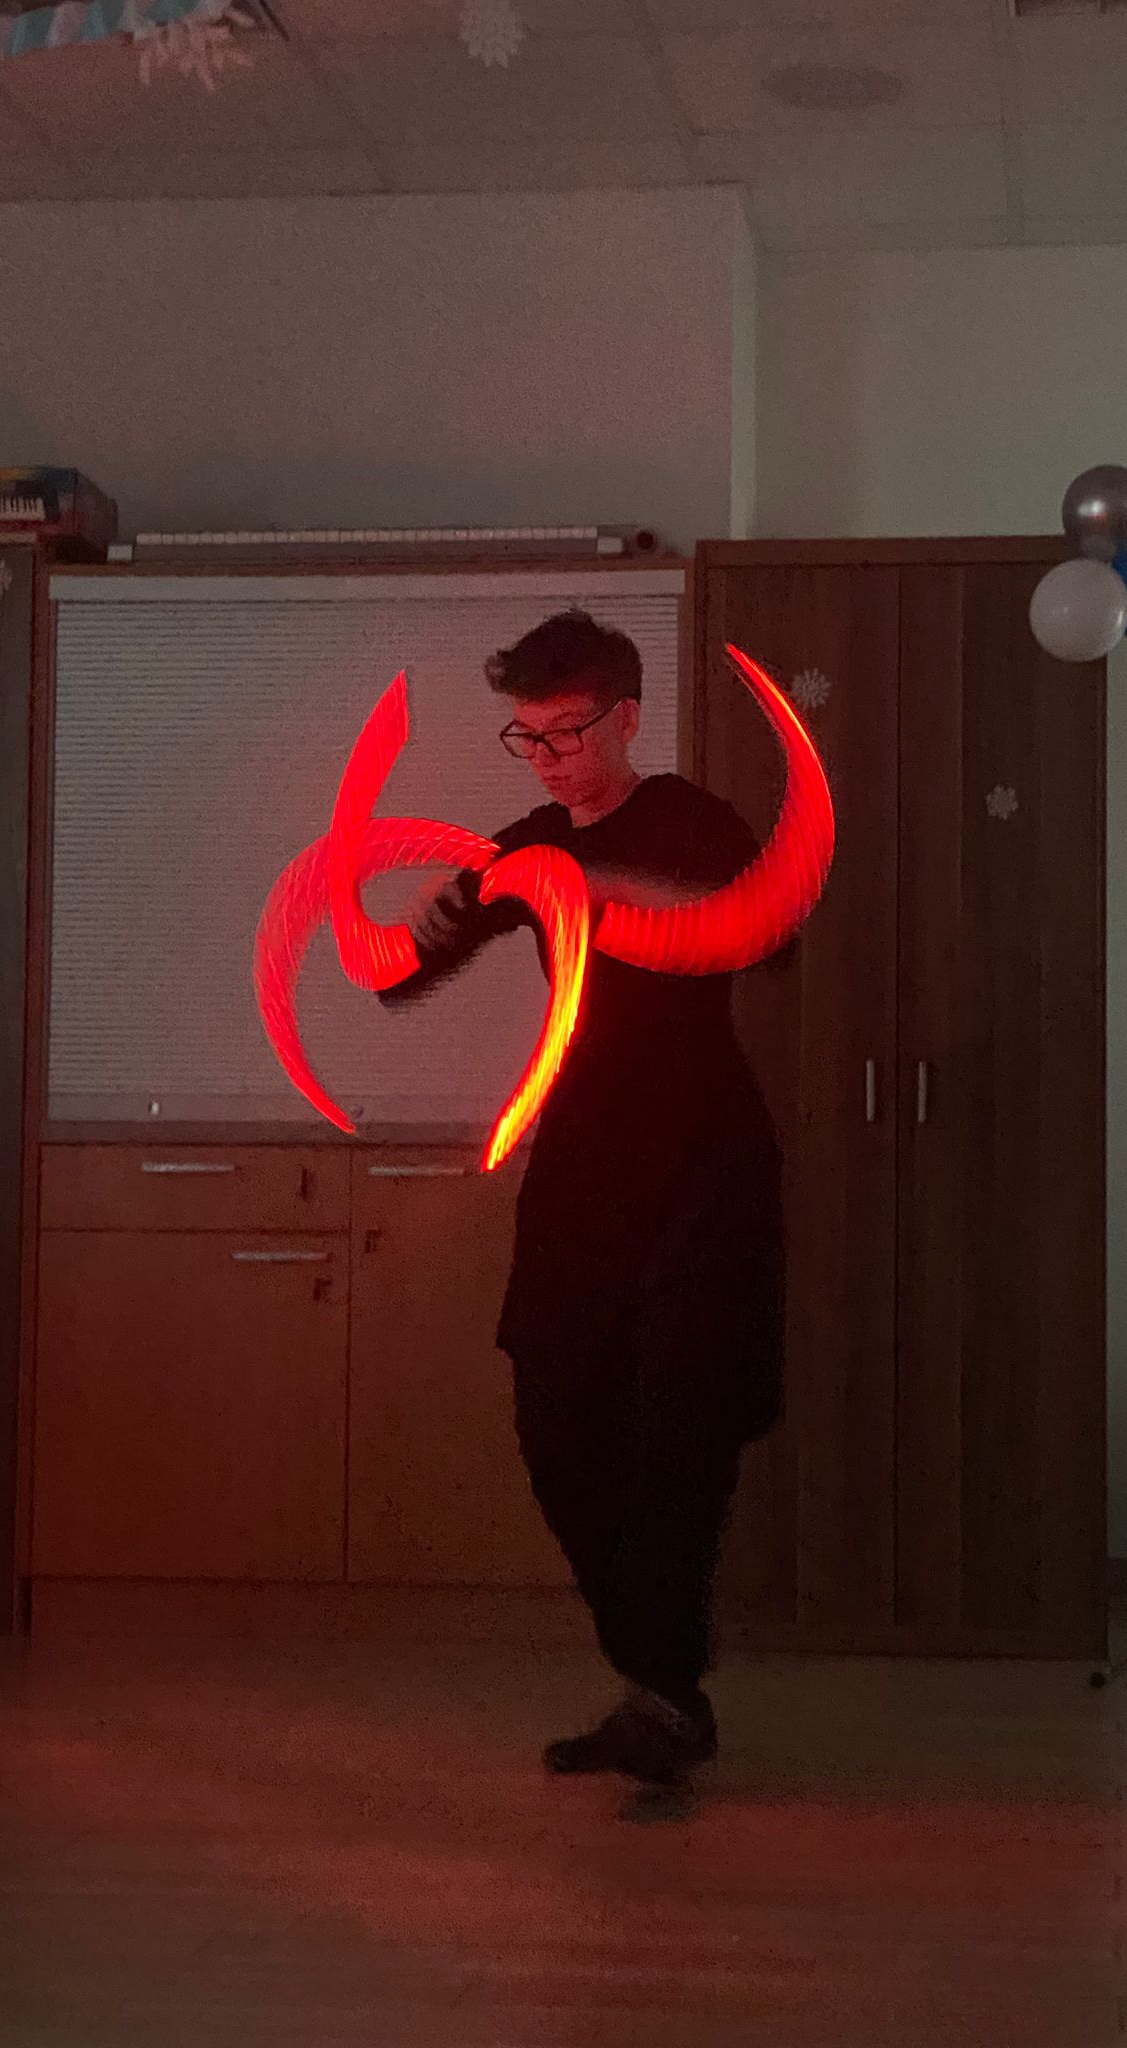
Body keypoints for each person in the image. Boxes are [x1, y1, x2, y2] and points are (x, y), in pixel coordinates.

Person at [380, 608, 783, 1822]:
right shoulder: (533, 844)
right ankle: (660, 1681)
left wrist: (589, 882)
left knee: (678, 1426)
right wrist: (423, 918)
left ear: (626, 716)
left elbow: (760, 933)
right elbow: (408, 970)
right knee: (554, 1416)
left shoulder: (694, 822)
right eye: (530, 737)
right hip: (585, 1165)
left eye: (568, 732)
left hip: (701, 1164)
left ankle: (662, 1695)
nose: (551, 759)